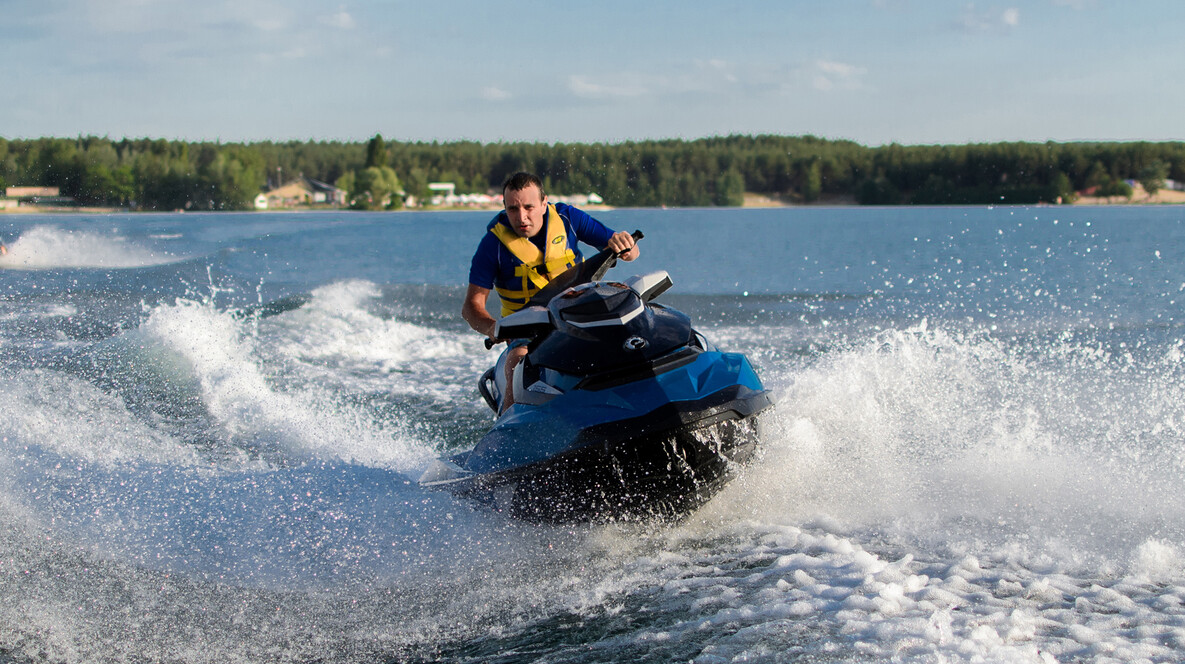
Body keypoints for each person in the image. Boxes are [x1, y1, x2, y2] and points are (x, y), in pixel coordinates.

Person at [463, 172, 638, 412]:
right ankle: (510, 424)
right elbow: (471, 306)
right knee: (518, 359)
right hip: (528, 328)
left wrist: (626, 246)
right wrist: (492, 328)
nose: (522, 217)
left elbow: (629, 252)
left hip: (580, 312)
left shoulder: (568, 218)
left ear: (544, 203)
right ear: (504, 207)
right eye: (513, 209)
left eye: (529, 207)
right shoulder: (493, 245)